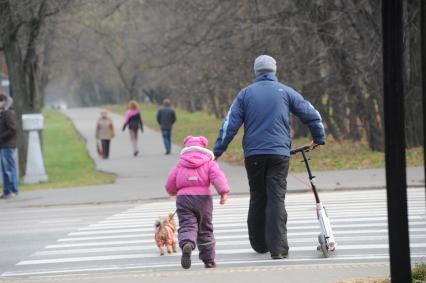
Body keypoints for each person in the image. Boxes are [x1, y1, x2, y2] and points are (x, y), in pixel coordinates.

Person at [213, 55, 325, 259]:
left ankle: (259, 244)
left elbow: (229, 125)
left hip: (254, 154)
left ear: (256, 72)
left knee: (257, 196)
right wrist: (318, 137)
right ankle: (279, 249)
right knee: (276, 197)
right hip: (279, 154)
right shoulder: (285, 91)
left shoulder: (245, 94)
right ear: (274, 70)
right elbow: (311, 113)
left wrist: (217, 152)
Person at [165, 136, 230, 269]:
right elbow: (217, 177)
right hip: (203, 199)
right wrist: (223, 192)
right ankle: (209, 260)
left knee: (187, 225)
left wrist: (172, 192)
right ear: (204, 147)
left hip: (184, 199)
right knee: (205, 228)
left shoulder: (180, 164)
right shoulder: (209, 163)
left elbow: (170, 183)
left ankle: (187, 244)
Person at [0, 93, 18, 199]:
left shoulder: (8, 113)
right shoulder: (3, 113)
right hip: (3, 145)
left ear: (3, 101)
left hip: (8, 145)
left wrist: (1, 137)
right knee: (4, 170)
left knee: (9, 169)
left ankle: (12, 190)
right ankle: (6, 191)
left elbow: (13, 130)